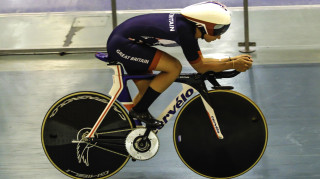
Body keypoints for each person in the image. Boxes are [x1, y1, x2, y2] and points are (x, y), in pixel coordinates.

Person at [106, 1, 253, 128]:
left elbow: (202, 63)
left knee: (146, 94)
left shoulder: (188, 27)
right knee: (174, 67)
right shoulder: (186, 33)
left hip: (126, 41)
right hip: (123, 45)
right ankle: (138, 112)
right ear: (204, 25)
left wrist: (231, 61)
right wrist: (233, 63)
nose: (220, 36)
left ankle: (128, 131)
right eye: (218, 30)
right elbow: (201, 66)